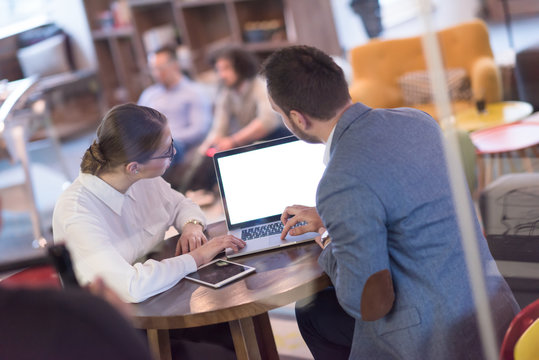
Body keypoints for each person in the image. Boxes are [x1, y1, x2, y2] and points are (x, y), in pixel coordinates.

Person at [261, 45, 520, 359]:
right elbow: (397, 199)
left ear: (298, 119)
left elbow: (369, 304)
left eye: (280, 114)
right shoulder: (418, 121)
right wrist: (333, 215)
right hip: (491, 304)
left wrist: (328, 238)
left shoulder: (339, 180)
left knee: (312, 312)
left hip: (436, 336)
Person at [52, 103, 245, 303]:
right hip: (117, 317)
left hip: (158, 291)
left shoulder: (137, 177)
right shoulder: (77, 214)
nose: (175, 153)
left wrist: (192, 227)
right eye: (167, 150)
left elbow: (180, 204)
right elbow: (133, 287)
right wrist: (198, 257)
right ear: (134, 167)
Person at [138, 46, 212, 166]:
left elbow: (199, 130)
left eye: (161, 69)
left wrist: (165, 139)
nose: (156, 74)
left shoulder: (195, 93)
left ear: (175, 65)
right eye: (153, 69)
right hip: (149, 145)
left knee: (158, 153)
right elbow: (137, 125)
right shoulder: (148, 95)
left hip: (178, 146)